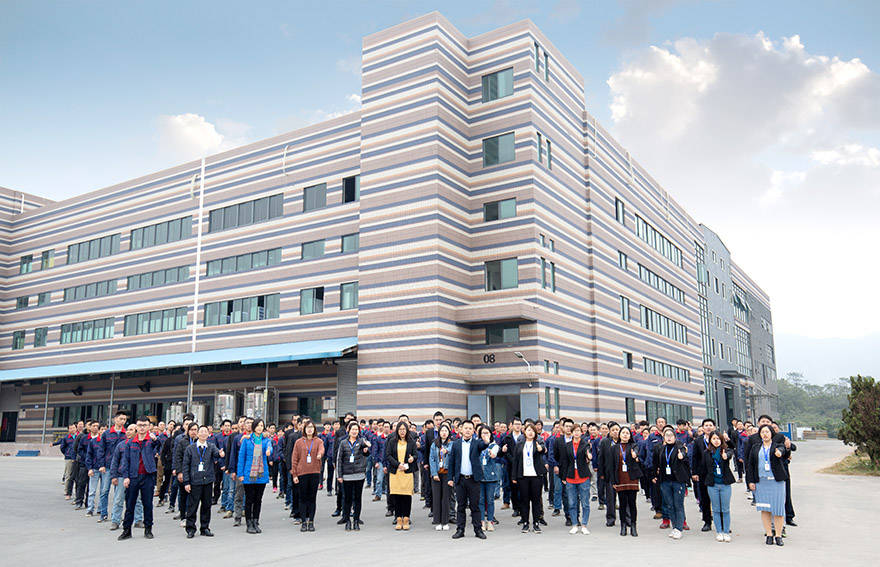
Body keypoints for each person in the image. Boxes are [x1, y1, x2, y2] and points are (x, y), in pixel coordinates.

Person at [117, 416, 160, 541]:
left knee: (148, 504)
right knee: (130, 504)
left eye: (144, 425)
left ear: (148, 427)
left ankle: (148, 529)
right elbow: (125, 461)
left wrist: (156, 440)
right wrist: (126, 477)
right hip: (133, 476)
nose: (142, 428)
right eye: (140, 425)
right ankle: (127, 530)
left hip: (148, 476)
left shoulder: (151, 441)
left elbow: (159, 447)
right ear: (136, 426)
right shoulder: (130, 443)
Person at [747, 424, 790, 547]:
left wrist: (780, 452)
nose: (765, 434)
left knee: (778, 509)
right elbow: (750, 465)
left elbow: (783, 451)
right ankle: (769, 534)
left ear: (772, 434)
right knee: (765, 509)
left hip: (776, 482)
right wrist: (750, 481)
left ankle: (778, 535)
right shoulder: (755, 447)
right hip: (761, 482)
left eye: (767, 432)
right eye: (762, 432)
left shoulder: (777, 446)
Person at [448, 419, 488, 539]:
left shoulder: (477, 443)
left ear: (473, 431)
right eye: (466, 428)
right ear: (461, 429)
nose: (467, 430)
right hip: (460, 479)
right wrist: (450, 478)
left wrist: (486, 441)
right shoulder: (456, 444)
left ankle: (478, 530)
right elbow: (451, 462)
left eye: (470, 428)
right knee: (461, 506)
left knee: (475, 506)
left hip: (473, 479)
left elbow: (483, 446)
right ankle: (460, 530)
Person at [182, 424, 222, 538]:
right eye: (201, 431)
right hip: (195, 481)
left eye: (206, 432)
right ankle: (190, 528)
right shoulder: (190, 448)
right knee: (192, 506)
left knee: (206, 505)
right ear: (197, 434)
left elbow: (217, 454)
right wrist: (186, 482)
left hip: (207, 480)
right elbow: (185, 466)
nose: (203, 433)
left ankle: (205, 527)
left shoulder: (211, 446)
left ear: (208, 434)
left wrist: (221, 454)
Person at [653, 426, 690, 540]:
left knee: (678, 505)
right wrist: (655, 475)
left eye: (671, 435)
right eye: (666, 435)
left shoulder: (679, 447)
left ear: (675, 436)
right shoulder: (662, 449)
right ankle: (674, 527)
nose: (669, 438)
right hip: (665, 481)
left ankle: (679, 528)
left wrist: (682, 456)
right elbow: (656, 463)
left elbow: (684, 455)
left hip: (677, 481)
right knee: (670, 505)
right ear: (663, 437)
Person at [237, 418, 273, 534]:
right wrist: (240, 474)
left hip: (261, 474)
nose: (259, 428)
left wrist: (269, 451)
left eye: (261, 425)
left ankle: (256, 521)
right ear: (254, 427)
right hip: (249, 474)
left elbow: (269, 447)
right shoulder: (247, 440)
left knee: (258, 499)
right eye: (257, 425)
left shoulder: (265, 440)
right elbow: (241, 457)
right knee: (249, 499)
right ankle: (249, 523)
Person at [336, 420, 371, 531]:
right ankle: (347, 521)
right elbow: (339, 459)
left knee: (357, 498)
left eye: (356, 429)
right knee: (347, 499)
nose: (355, 431)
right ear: (349, 430)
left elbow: (367, 453)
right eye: (353, 429)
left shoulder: (361, 441)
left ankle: (356, 520)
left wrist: (366, 450)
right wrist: (339, 475)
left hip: (359, 474)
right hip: (347, 475)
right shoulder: (343, 443)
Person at [512, 423, 547, 533]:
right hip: (523, 476)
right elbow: (515, 461)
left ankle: (536, 523)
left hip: (536, 476)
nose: (530, 432)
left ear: (535, 433)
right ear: (524, 432)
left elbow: (543, 450)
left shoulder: (538, 443)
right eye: (528, 430)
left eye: (532, 430)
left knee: (536, 500)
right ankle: (525, 522)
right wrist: (514, 476)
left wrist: (541, 449)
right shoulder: (519, 444)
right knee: (524, 500)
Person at [291, 420, 325, 532]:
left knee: (312, 498)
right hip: (302, 473)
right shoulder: (299, 442)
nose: (309, 429)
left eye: (311, 427)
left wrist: (320, 454)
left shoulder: (318, 441)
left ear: (314, 429)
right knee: (302, 498)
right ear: (304, 429)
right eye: (307, 427)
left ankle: (311, 521)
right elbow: (294, 459)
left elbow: (322, 449)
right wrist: (294, 474)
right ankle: (303, 522)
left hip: (314, 472)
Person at [701, 430, 735, 542]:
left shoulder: (726, 450)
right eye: (714, 439)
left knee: (725, 509)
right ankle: (719, 532)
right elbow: (703, 468)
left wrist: (726, 456)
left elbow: (730, 453)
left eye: (718, 439)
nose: (716, 441)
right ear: (710, 440)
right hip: (712, 485)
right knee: (716, 509)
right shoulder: (706, 452)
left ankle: (726, 532)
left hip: (725, 484)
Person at [558, 422, 592, 535]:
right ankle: (574, 524)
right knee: (572, 503)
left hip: (583, 477)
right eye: (574, 431)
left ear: (581, 432)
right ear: (571, 433)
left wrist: (589, 455)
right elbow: (564, 462)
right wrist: (563, 477)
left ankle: (584, 525)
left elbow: (588, 452)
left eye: (578, 431)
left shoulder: (585, 444)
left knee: (585, 503)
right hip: (570, 477)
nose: (576, 433)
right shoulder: (567, 445)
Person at [610, 426, 643, 537]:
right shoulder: (614, 448)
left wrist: (635, 455)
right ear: (619, 435)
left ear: (630, 436)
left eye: (627, 433)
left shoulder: (633, 446)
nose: (625, 435)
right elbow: (611, 465)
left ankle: (633, 526)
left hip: (631, 478)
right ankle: (623, 525)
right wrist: (613, 481)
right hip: (620, 479)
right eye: (623, 433)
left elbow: (637, 454)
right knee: (622, 504)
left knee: (632, 503)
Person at [386, 420, 418, 530]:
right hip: (396, 473)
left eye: (404, 429)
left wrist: (412, 458)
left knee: (406, 496)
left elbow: (415, 455)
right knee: (397, 496)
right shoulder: (392, 441)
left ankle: (406, 519)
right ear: (397, 430)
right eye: (400, 429)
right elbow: (388, 455)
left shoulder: (411, 442)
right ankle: (399, 518)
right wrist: (398, 464)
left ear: (407, 430)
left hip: (407, 473)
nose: (402, 431)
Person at [429, 422, 453, 530]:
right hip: (437, 474)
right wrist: (434, 473)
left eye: (446, 431)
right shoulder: (434, 444)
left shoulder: (451, 444)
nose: (444, 433)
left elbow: (453, 454)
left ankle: (445, 521)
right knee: (437, 498)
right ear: (439, 432)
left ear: (449, 432)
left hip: (447, 474)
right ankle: (437, 521)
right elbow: (432, 459)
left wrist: (447, 451)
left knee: (446, 498)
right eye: (442, 431)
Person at [477, 424, 501, 532]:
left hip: (491, 477)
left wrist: (488, 446)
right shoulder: (477, 445)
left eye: (487, 433)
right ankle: (482, 521)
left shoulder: (494, 445)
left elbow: (493, 454)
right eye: (483, 433)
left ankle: (490, 521)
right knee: (481, 500)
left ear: (491, 434)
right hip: (480, 477)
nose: (485, 435)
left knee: (490, 500)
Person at [597, 421, 621, 526]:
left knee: (624, 498)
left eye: (617, 430)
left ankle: (627, 518)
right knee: (610, 499)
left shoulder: (623, 441)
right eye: (613, 430)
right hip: (609, 474)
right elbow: (601, 459)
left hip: (622, 474)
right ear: (609, 432)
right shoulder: (605, 442)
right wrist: (601, 473)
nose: (615, 432)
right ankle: (610, 519)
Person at [84, 420, 105, 518]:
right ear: (99, 430)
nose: (103, 431)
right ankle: (90, 509)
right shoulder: (93, 441)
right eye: (102, 429)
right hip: (95, 469)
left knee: (103, 491)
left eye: (105, 430)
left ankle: (100, 509)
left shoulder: (108, 442)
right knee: (92, 491)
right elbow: (89, 455)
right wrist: (90, 468)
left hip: (105, 469)